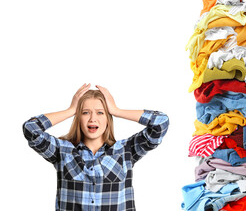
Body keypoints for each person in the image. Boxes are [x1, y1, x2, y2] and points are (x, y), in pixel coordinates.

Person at [22, 83, 169, 211]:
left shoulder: (125, 150)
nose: (93, 118)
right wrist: (71, 110)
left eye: (100, 112)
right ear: (78, 118)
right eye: (85, 113)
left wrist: (117, 111)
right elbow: (31, 129)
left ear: (108, 118)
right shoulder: (62, 151)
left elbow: (160, 123)